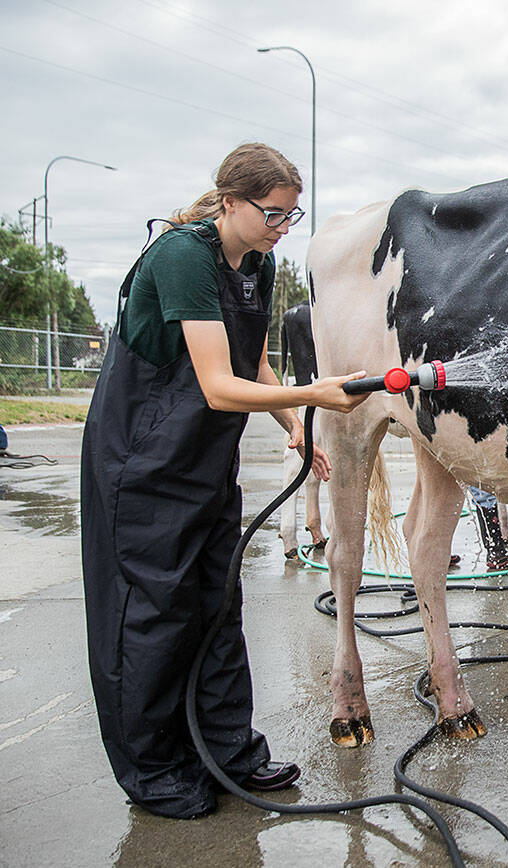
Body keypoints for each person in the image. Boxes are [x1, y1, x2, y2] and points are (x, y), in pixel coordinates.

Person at [80, 143, 369, 819]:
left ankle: (226, 750)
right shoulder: (182, 255)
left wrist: (293, 423)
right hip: (143, 461)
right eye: (272, 212)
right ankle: (154, 769)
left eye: (292, 216)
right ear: (230, 201)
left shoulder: (259, 263)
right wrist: (316, 393)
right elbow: (214, 384)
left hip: (205, 461)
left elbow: (251, 357)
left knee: (215, 604)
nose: (280, 226)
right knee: (153, 615)